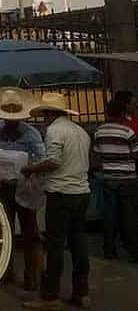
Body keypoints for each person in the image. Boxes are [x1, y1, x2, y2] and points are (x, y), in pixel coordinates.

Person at [21, 93, 91, 310]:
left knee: (56, 245)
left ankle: (50, 295)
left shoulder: (54, 131)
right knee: (79, 243)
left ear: (50, 114)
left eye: (44, 115)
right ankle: (82, 292)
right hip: (82, 192)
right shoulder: (80, 131)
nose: (43, 119)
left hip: (61, 194)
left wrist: (30, 169)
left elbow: (54, 161)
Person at [0, 87, 46, 291]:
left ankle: (32, 276)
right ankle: (5, 272)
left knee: (31, 233)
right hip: (2, 187)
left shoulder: (31, 134)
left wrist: (26, 167)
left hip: (25, 187)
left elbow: (41, 158)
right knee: (4, 230)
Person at [92, 99, 138, 261]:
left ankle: (109, 249)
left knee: (110, 214)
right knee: (129, 215)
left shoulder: (99, 132)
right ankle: (133, 249)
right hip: (127, 178)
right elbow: (136, 154)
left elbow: (97, 153)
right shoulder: (128, 132)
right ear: (122, 114)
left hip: (108, 178)